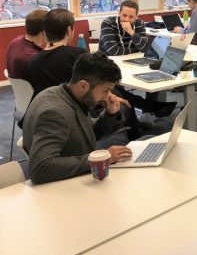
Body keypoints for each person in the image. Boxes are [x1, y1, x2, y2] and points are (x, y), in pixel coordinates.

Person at [22, 52, 133, 184]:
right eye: (105, 90)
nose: (108, 96)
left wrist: (110, 114)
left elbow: (84, 134)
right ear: (83, 85)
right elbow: (40, 168)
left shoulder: (64, 94)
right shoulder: (55, 113)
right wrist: (100, 160)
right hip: (63, 187)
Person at [98, 0, 176, 117]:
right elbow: (113, 51)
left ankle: (147, 112)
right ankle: (151, 107)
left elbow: (144, 48)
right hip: (108, 65)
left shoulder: (139, 24)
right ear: (119, 13)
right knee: (117, 87)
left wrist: (132, 33)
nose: (127, 19)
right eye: (124, 15)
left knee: (154, 72)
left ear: (136, 17)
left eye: (131, 17)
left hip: (131, 62)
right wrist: (135, 48)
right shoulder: (108, 23)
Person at [27, 8, 86, 96]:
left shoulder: (32, 62)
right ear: (69, 30)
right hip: (72, 107)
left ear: (45, 32)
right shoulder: (78, 55)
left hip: (44, 106)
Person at [5, 9, 47, 81]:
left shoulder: (15, 42)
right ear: (44, 32)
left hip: (22, 90)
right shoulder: (33, 59)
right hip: (38, 91)